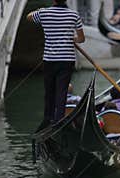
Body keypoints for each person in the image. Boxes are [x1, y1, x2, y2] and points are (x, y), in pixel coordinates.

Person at [27, 0, 85, 131]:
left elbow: (28, 16)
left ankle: (48, 119)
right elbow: (81, 38)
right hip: (66, 60)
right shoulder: (74, 15)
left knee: (49, 91)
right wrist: (72, 39)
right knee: (62, 92)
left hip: (49, 60)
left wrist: (41, 10)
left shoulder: (44, 13)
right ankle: (59, 122)